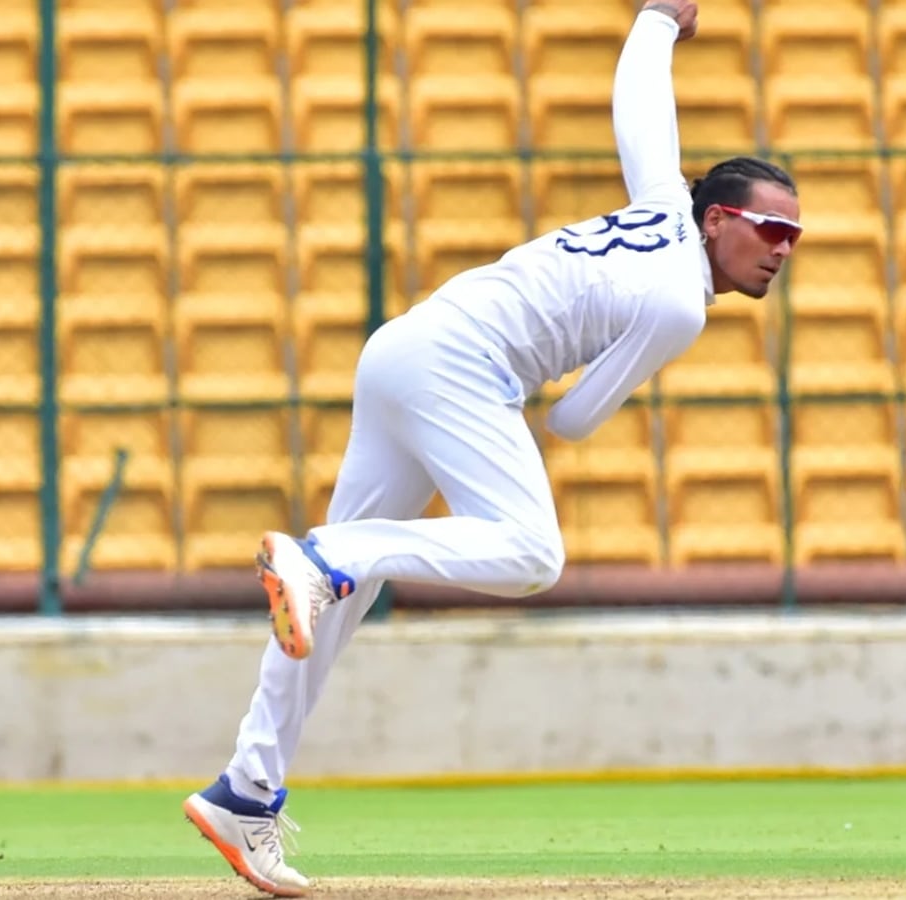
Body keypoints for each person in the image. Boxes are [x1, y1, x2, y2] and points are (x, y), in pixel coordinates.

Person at [182, 1, 802, 895]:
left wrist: (657, 23)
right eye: (770, 229)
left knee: (332, 609)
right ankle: (330, 556)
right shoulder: (679, 304)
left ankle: (245, 790)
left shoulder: (666, 204)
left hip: (405, 346)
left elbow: (641, 102)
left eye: (794, 237)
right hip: (463, 368)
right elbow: (572, 420)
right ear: (718, 221)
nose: (782, 250)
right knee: (531, 554)